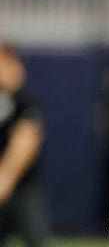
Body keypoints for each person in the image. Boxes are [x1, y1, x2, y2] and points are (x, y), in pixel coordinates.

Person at [0, 41, 47, 247]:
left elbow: (27, 137)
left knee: (34, 238)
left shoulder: (23, 99)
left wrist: (5, 177)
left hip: (23, 188)